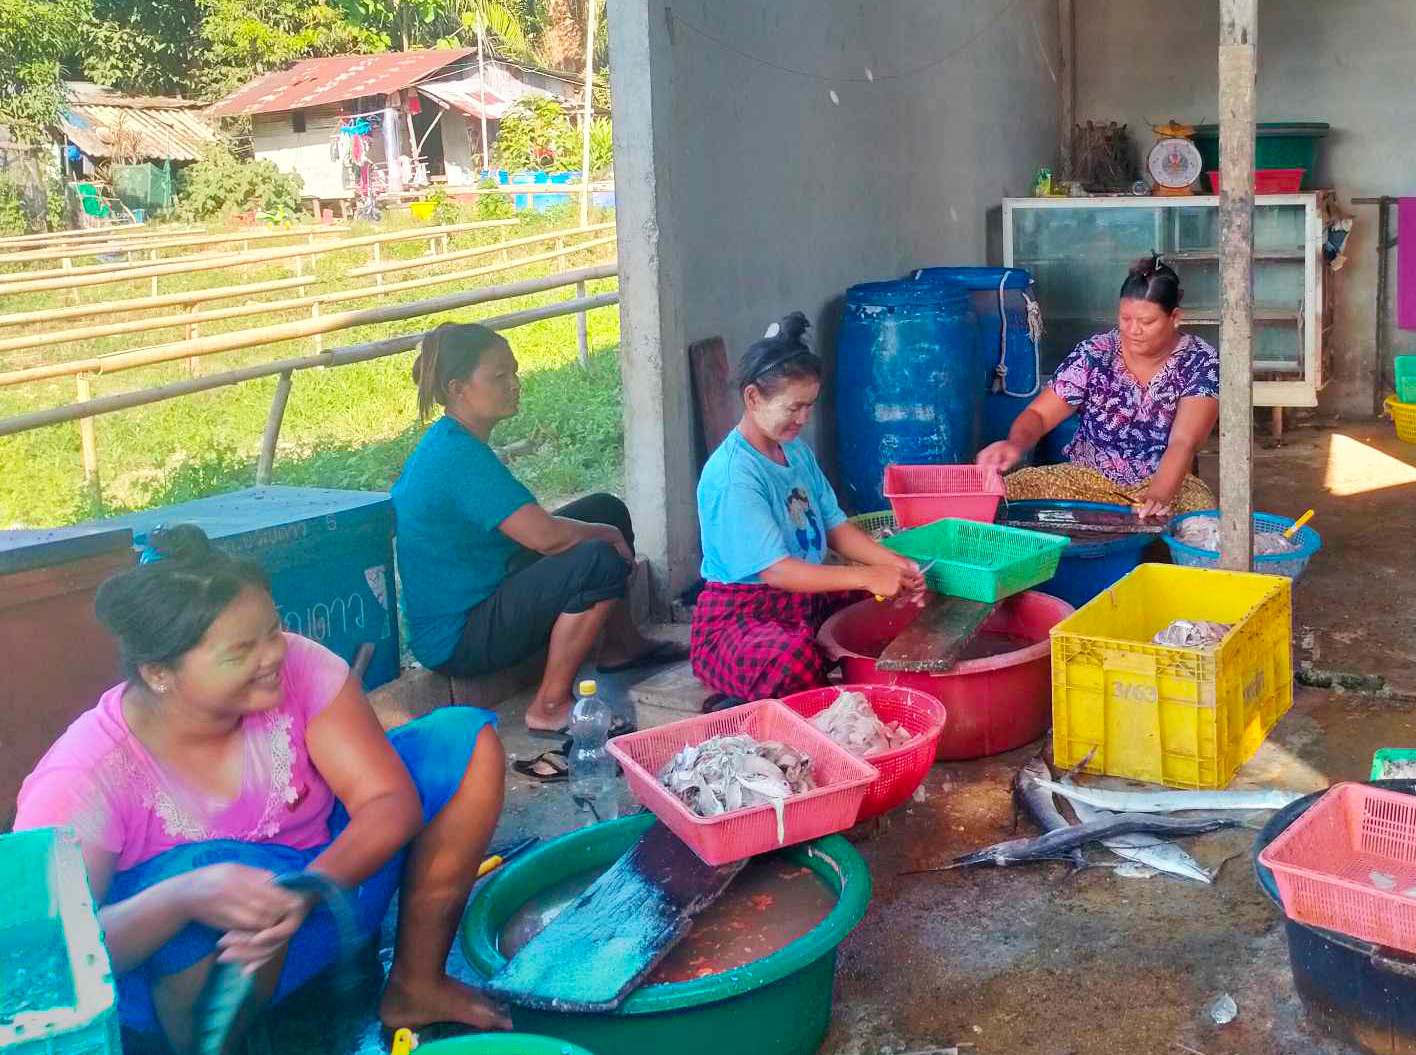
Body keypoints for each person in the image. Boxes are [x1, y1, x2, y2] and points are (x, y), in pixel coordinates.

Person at [14, 527, 509, 1055]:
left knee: (463, 742)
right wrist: (183, 897)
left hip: (321, 905)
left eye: (272, 629)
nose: (275, 654)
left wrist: (303, 889)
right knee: (204, 869)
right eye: (239, 651)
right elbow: (46, 964)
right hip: (183, 982)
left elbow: (388, 801)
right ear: (159, 673)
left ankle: (415, 984)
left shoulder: (298, 666)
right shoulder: (82, 778)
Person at [391, 323, 680, 741]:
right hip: (459, 636)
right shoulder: (455, 456)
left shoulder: (455, 442)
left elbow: (534, 526)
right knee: (596, 558)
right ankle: (549, 705)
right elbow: (546, 537)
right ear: (458, 388)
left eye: (514, 373)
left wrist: (603, 527)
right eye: (499, 377)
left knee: (605, 510)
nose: (514, 385)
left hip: (484, 587)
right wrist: (605, 537)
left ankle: (621, 645)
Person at [691, 313, 927, 707]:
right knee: (791, 658)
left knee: (892, 606)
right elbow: (778, 571)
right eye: (793, 407)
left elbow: (835, 526)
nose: (803, 419)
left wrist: (896, 565)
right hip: (739, 618)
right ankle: (741, 706)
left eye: (810, 406)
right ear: (752, 398)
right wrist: (868, 576)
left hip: (801, 604)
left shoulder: (795, 451)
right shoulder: (734, 475)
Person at [975, 256, 1220, 519]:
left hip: (1165, 481)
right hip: (1087, 479)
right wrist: (1016, 443)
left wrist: (1157, 496)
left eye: (1147, 322)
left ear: (1175, 317)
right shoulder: (1097, 353)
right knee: (1004, 494)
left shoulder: (1200, 361)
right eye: (1125, 318)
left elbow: (1183, 442)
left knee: (1201, 519)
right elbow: (1040, 415)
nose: (1133, 330)